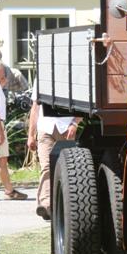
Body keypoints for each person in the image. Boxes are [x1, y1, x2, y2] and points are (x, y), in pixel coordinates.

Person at [27, 83, 80, 220]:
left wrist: (75, 123)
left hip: (66, 127)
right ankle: (46, 204)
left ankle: (65, 205)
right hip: (45, 127)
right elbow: (35, 108)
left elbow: (83, 103)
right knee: (46, 166)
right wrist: (31, 135)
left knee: (68, 168)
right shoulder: (40, 77)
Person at [0, 63, 28, 200]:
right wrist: (0, 132)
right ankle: (9, 190)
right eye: (3, 71)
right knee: (2, 159)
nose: (5, 73)